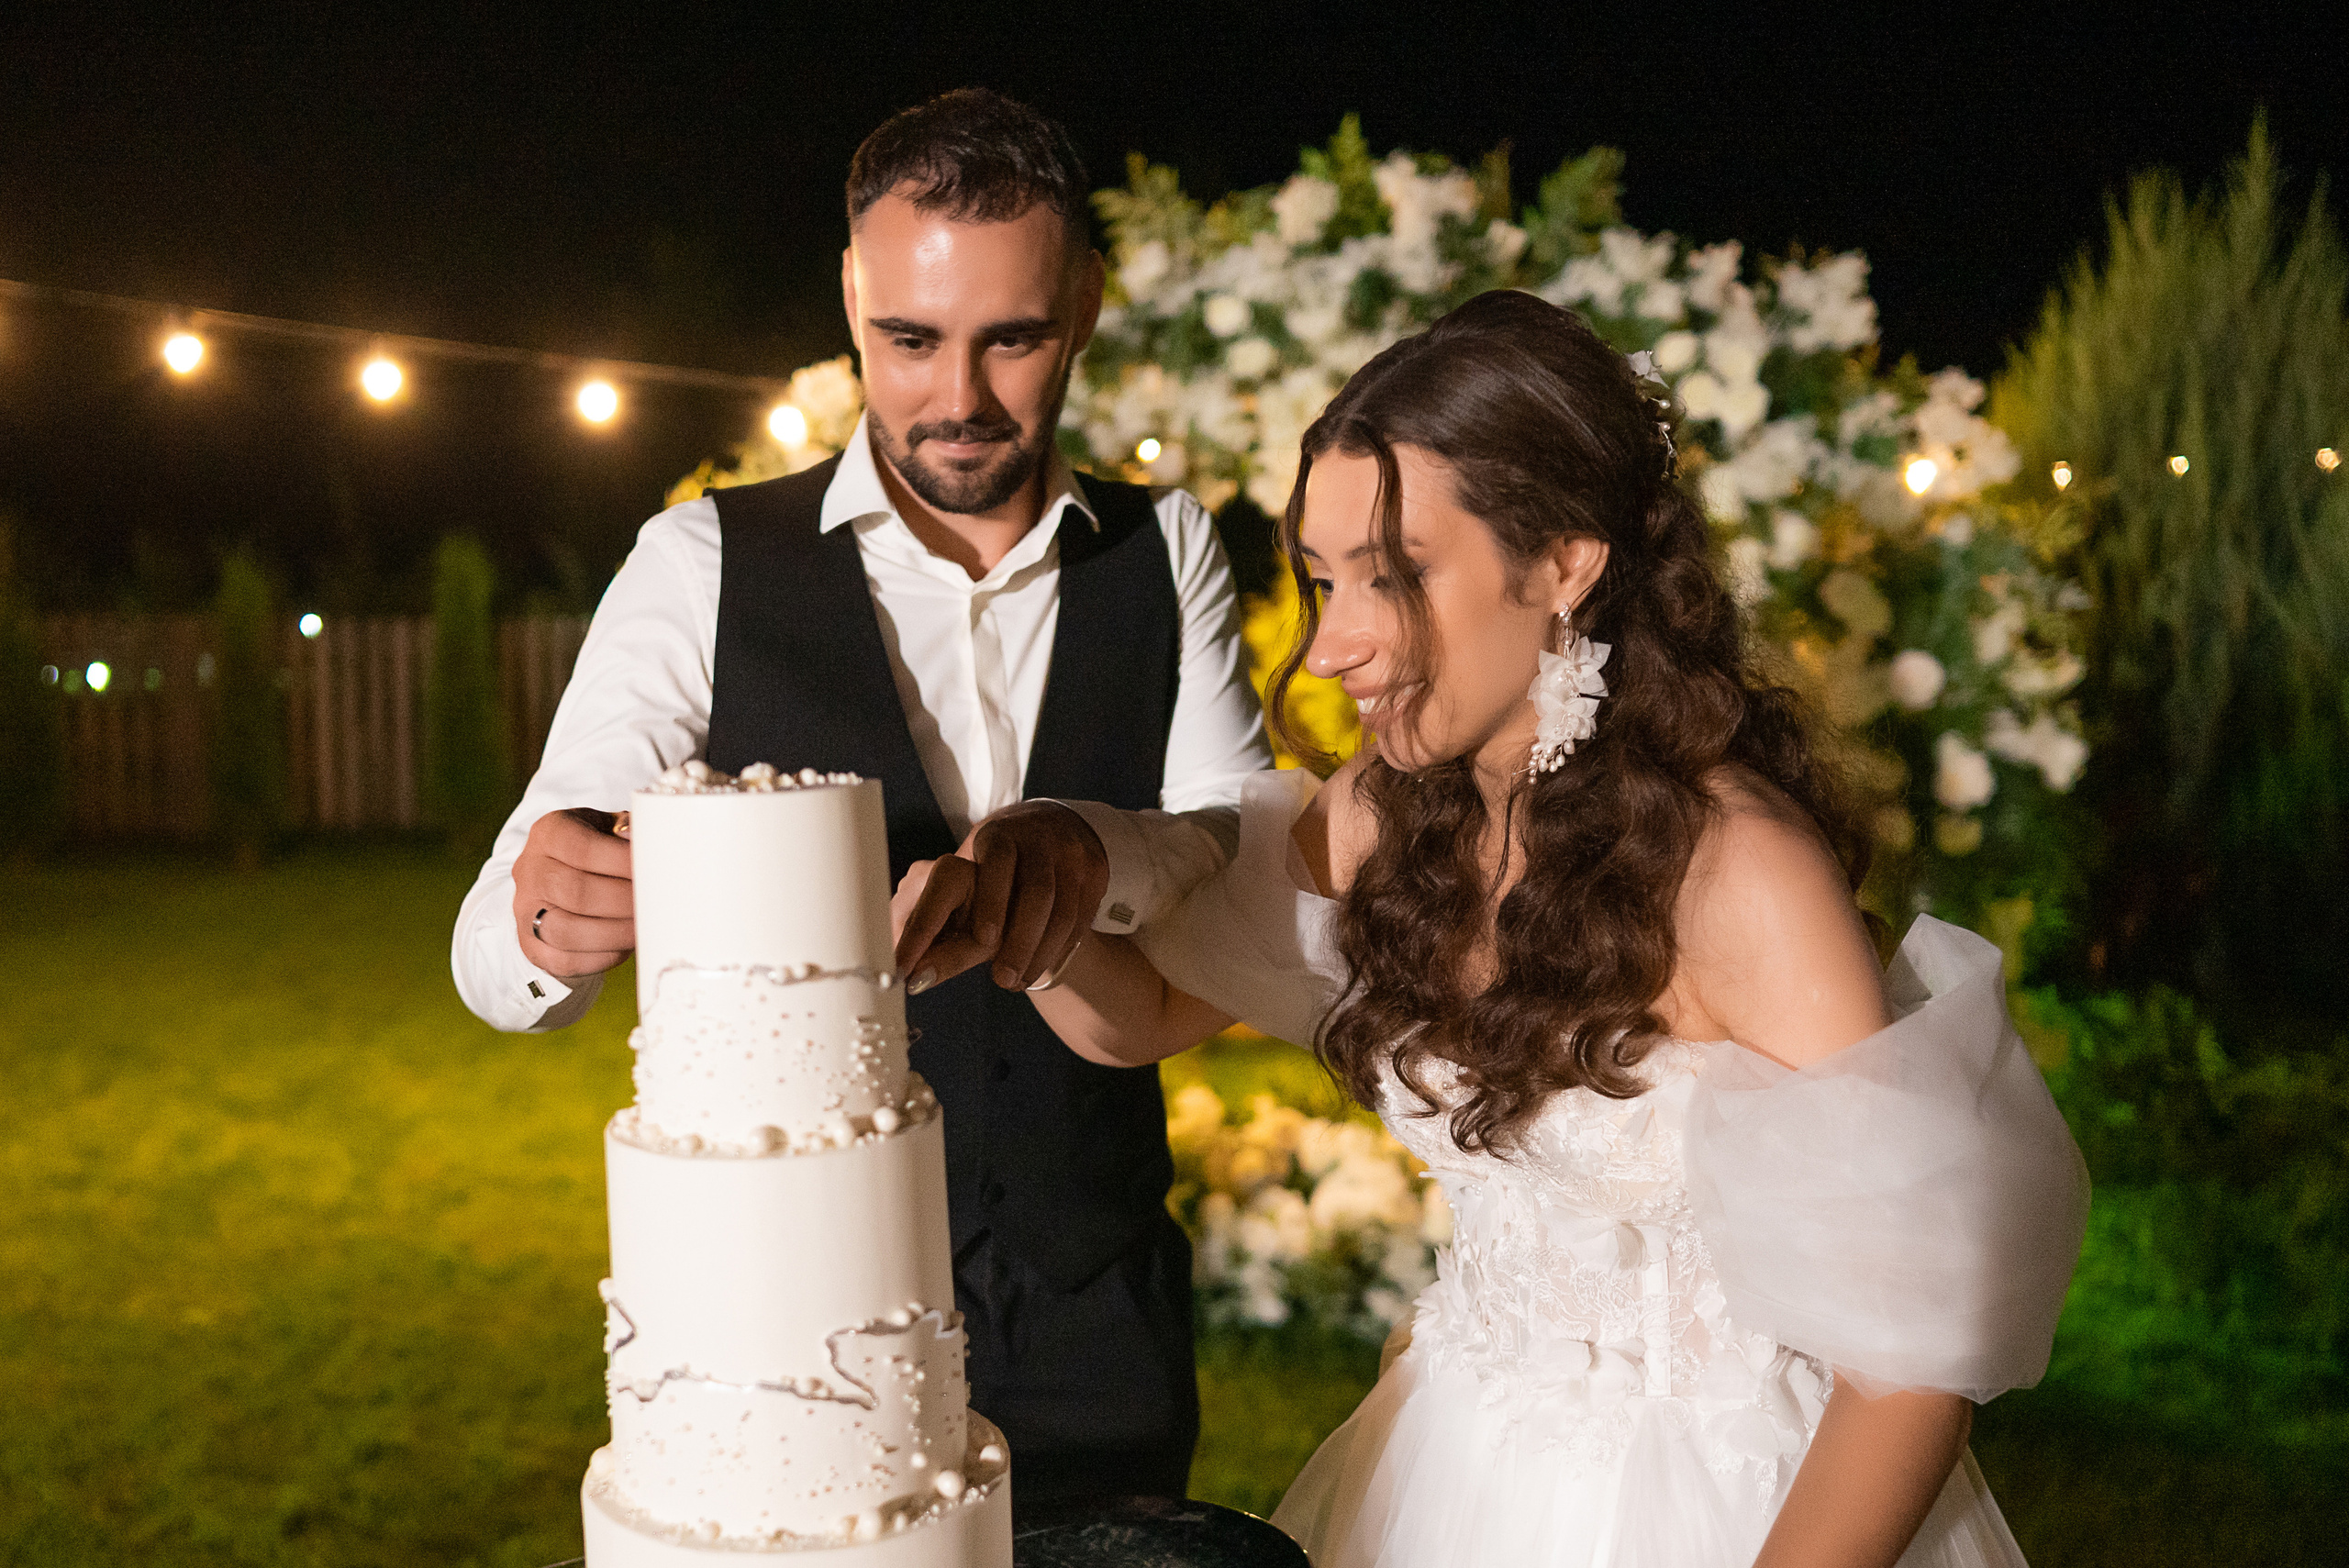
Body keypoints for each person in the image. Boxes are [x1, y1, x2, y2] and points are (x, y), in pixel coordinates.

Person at [902, 290, 2088, 1564]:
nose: (1331, 647)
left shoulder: (1740, 869)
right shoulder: (1383, 812)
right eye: (1319, 579)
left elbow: (1904, 1371)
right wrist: (1030, 915)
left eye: (1392, 576)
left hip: (1735, 1507)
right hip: (1450, 1470)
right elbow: (1137, 1013)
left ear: (1564, 563)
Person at [450, 88, 1271, 1506]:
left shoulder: (1165, 548)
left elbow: (1241, 849)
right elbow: (492, 938)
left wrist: (1094, 854)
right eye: (910, 340)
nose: (958, 397)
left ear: (1081, 301)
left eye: (1010, 338)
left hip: (1096, 1302)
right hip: (793, 1343)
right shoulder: (702, 561)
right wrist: (544, 911)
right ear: (850, 297)